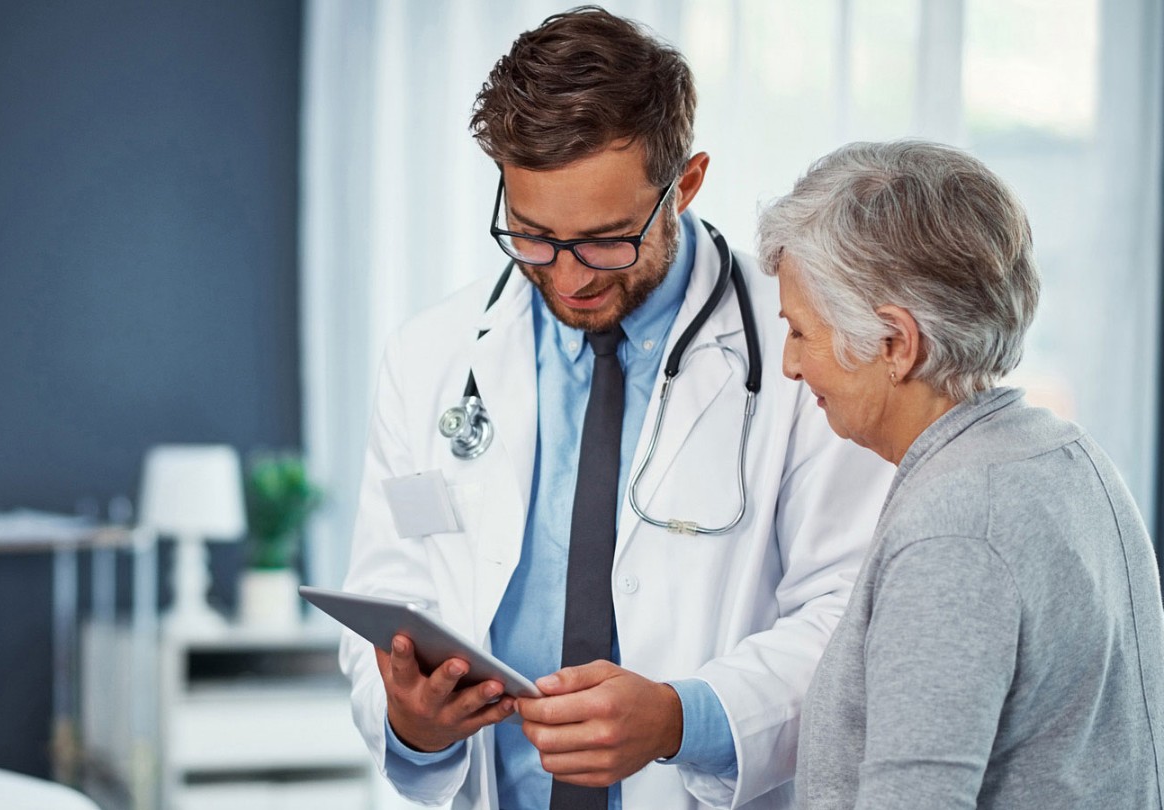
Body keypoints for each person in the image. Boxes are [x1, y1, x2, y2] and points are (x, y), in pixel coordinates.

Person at [338, 7, 892, 809]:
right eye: (532, 236)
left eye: (604, 240)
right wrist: (410, 720)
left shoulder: (799, 351)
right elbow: (391, 591)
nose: (568, 277)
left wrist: (680, 718)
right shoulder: (430, 354)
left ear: (687, 184)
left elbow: (848, 613)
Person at [756, 139, 1164, 809]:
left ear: (896, 342)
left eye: (800, 331)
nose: (790, 367)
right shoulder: (1065, 455)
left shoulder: (956, 529)